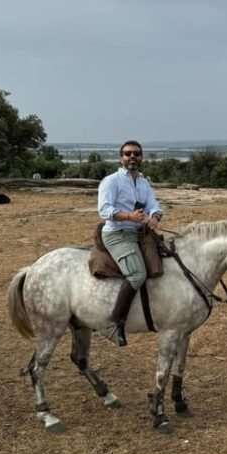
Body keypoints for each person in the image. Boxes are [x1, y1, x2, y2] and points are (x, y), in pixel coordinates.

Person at [97, 140, 163, 346]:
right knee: (137, 274)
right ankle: (113, 323)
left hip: (139, 234)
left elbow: (154, 205)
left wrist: (155, 217)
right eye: (127, 154)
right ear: (121, 158)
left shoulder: (144, 183)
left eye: (136, 154)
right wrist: (129, 217)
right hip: (117, 234)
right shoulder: (111, 181)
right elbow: (104, 210)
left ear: (141, 157)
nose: (132, 157)